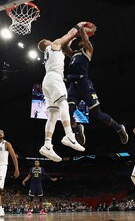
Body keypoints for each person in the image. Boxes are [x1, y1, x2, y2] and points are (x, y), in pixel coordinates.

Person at [37, 21, 95, 162]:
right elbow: (68, 34)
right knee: (63, 104)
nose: (51, 40)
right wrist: (79, 25)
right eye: (48, 40)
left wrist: (71, 40)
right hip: (55, 78)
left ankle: (47, 145)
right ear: (46, 43)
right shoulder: (54, 44)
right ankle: (69, 135)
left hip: (47, 81)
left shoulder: (51, 51)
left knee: (52, 115)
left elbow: (66, 46)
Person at [62, 26, 128, 146]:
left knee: (97, 114)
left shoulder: (88, 50)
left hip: (84, 85)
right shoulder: (74, 54)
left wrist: (81, 28)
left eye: (83, 40)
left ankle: (119, 128)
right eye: (80, 40)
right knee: (67, 112)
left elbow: (85, 39)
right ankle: (77, 129)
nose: (81, 41)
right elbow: (64, 47)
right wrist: (72, 35)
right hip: (73, 86)